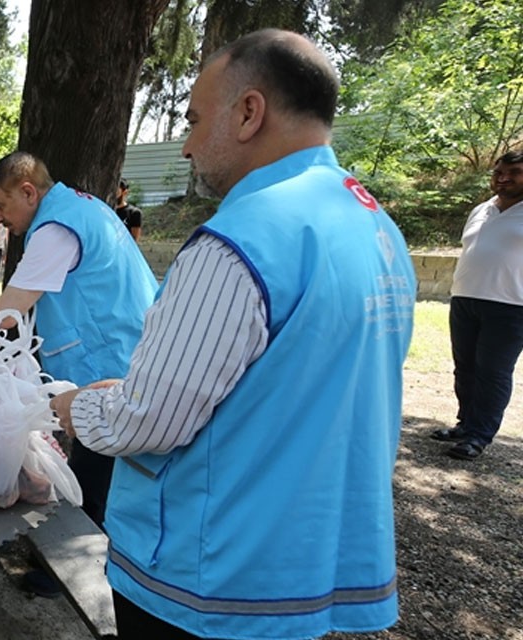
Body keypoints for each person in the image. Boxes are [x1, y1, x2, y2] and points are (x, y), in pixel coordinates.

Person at [49, 30, 416, 639]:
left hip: (213, 577)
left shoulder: (239, 240)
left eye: (194, 120)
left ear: (249, 112)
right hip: (304, 561)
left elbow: (148, 420)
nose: (188, 145)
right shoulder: (372, 224)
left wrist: (74, 406)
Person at [0, 152, 157, 531]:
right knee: (106, 469)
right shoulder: (82, 208)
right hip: (127, 348)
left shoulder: (55, 229)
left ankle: (86, 560)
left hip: (109, 361)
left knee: (96, 472)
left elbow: (9, 310)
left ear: (27, 192)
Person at [430, 149, 523, 461]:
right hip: (465, 298)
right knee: (465, 368)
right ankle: (465, 423)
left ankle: (479, 435)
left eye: (514, 172)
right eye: (499, 172)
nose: (504, 178)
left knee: (493, 372)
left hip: (511, 305)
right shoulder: (482, 209)